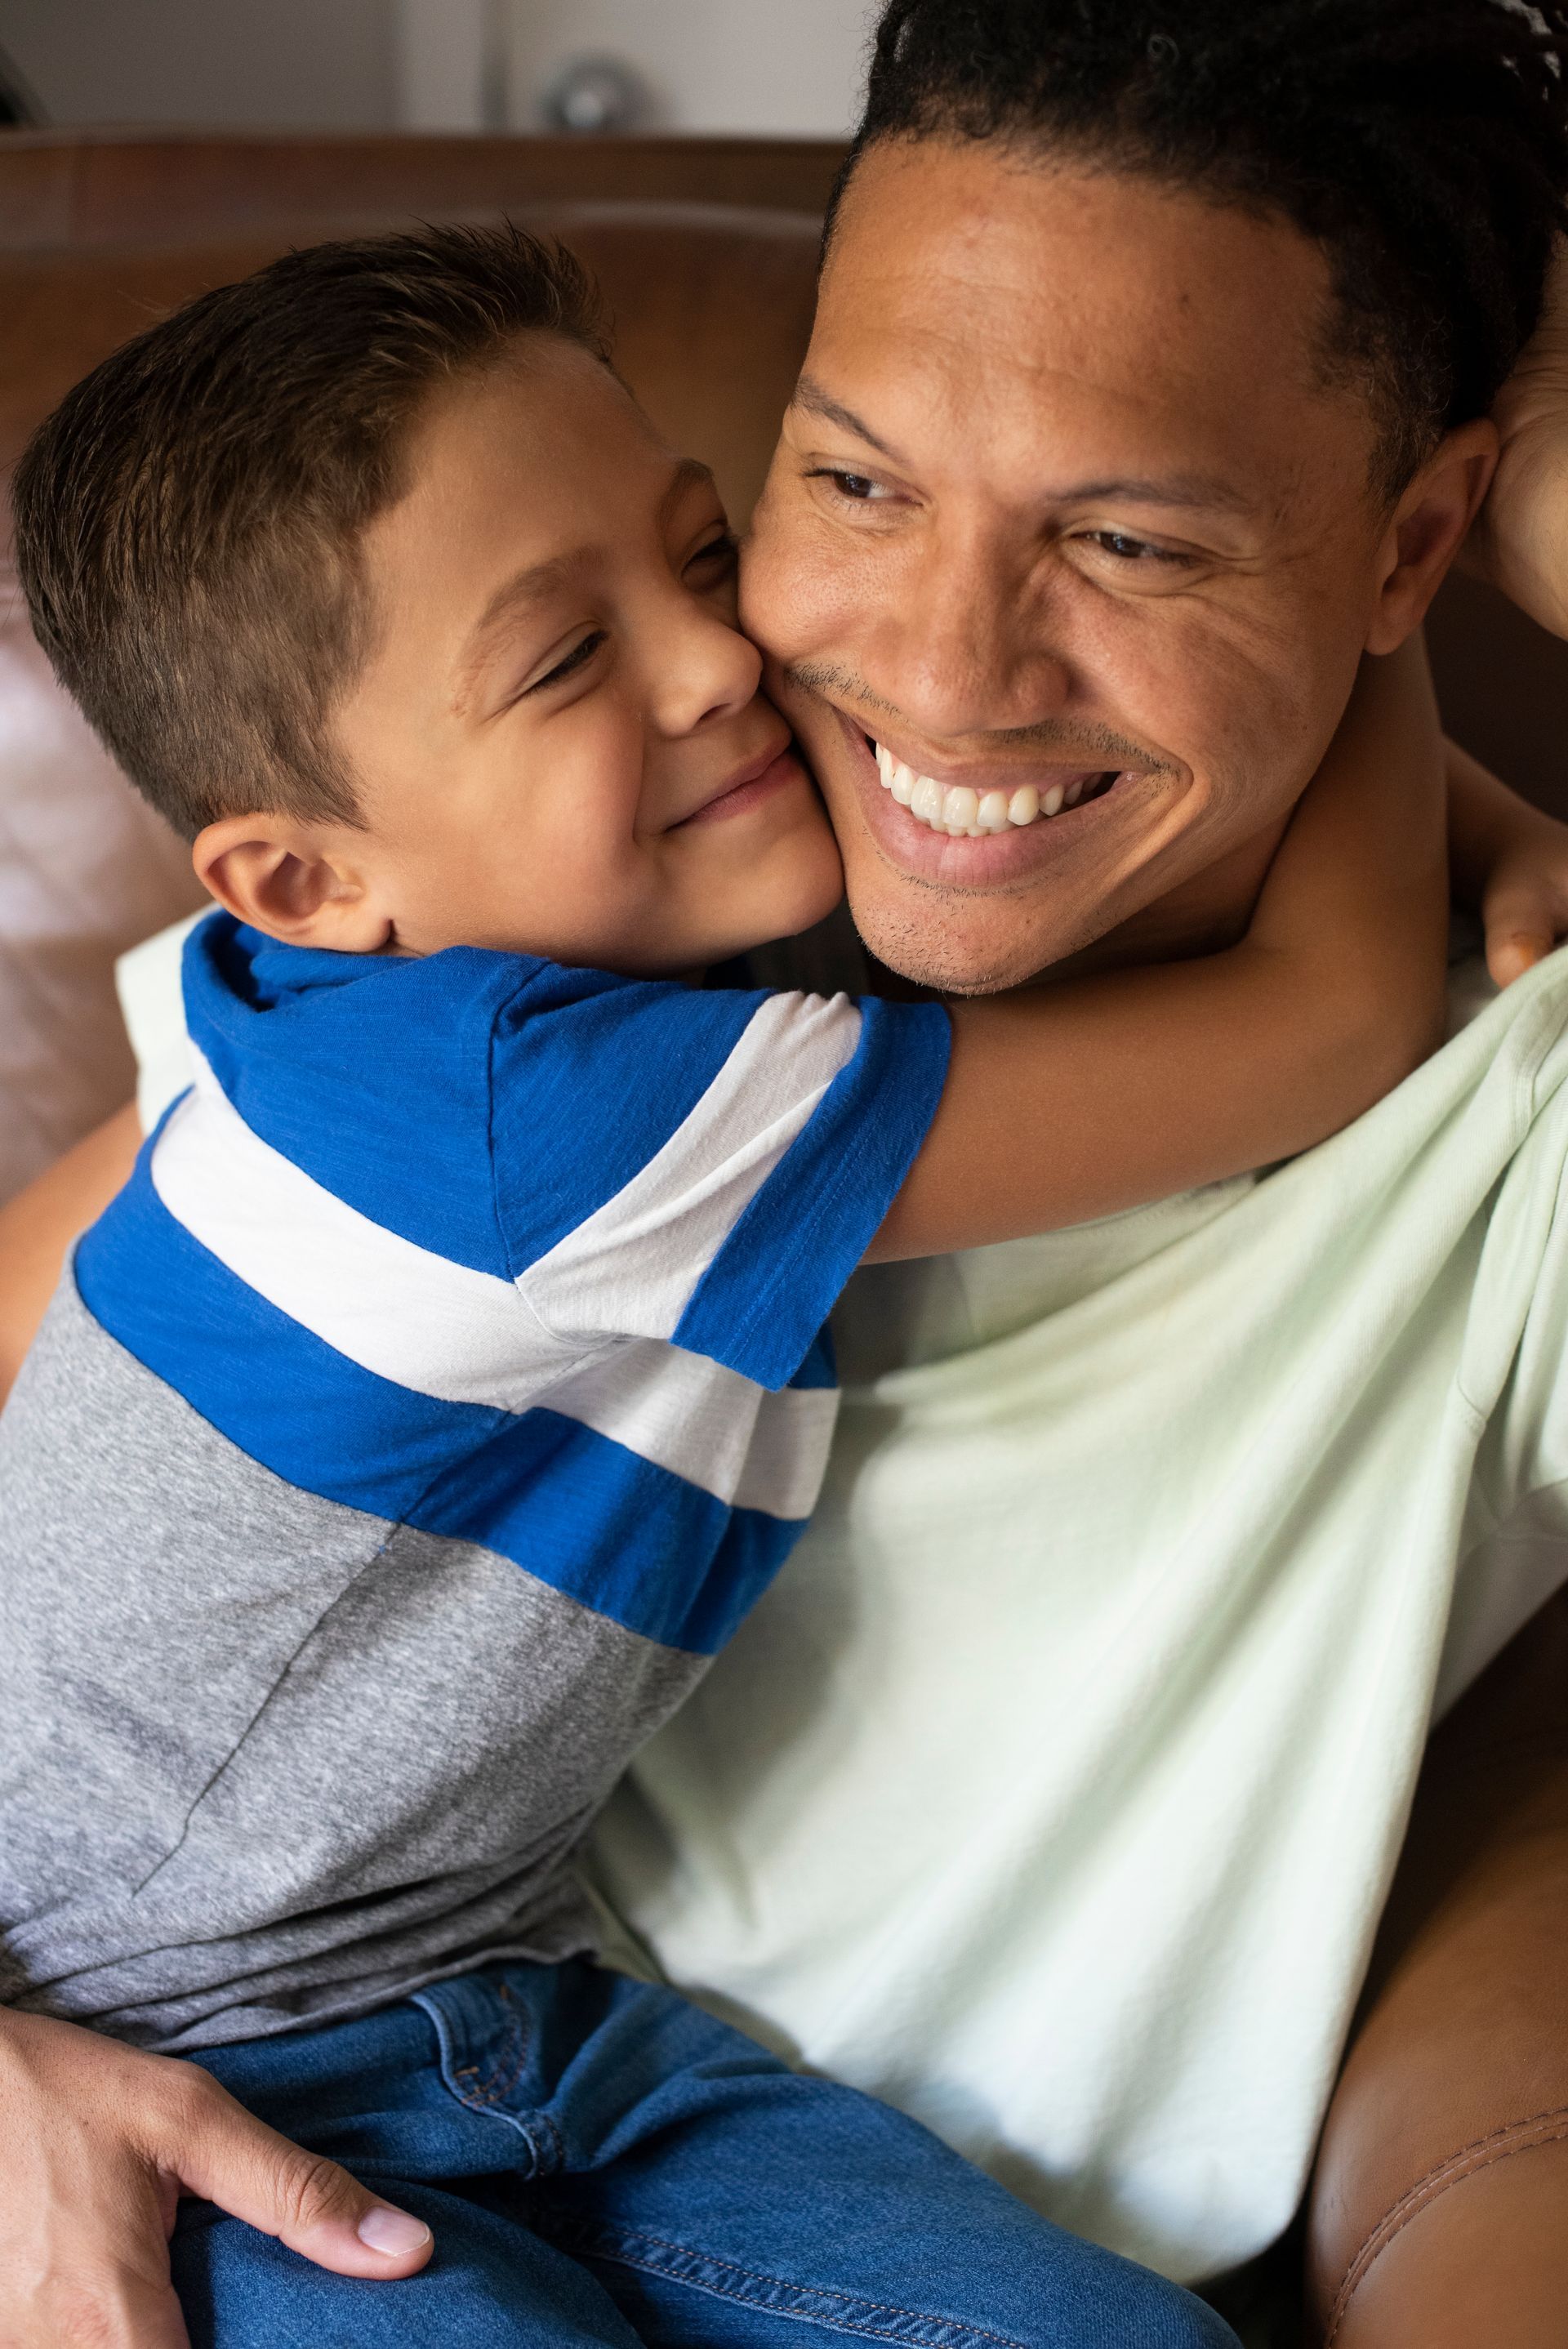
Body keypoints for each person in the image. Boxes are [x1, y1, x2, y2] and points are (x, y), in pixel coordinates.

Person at [5, 0, 1568, 2335]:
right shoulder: (531, 1007)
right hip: (221, 2067)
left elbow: (1347, 1025)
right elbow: (1310, 1017)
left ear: (1423, 529)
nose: (909, 674)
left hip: (551, 2041)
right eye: (846, 486)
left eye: (1130, 537)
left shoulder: (1505, 1141)